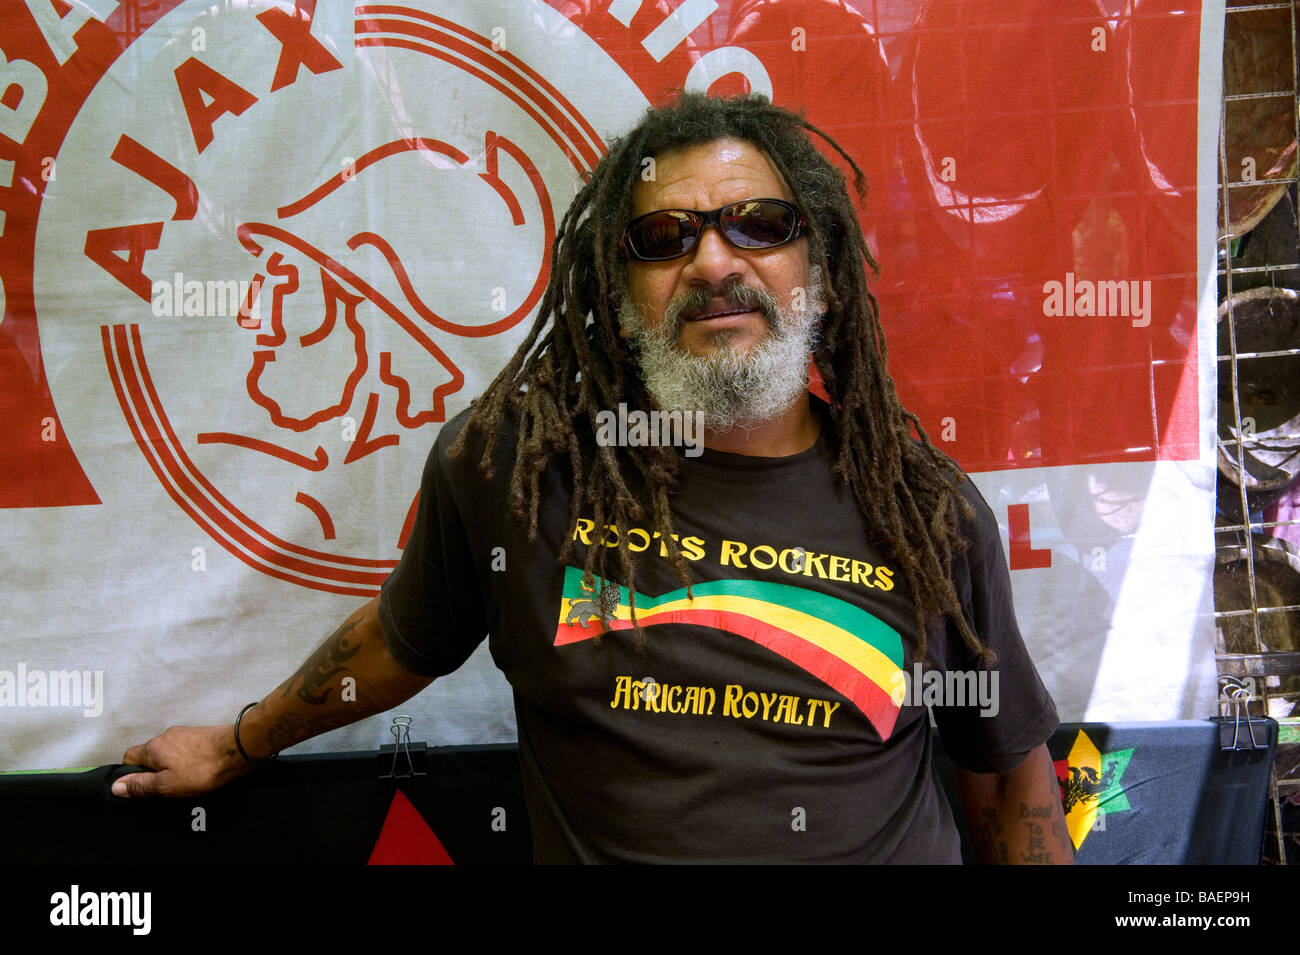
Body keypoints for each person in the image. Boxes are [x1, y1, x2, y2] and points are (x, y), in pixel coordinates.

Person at [115, 92, 1073, 864]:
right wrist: (240, 742)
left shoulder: (923, 512)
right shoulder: (514, 471)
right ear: (618, 301)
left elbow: (1006, 783)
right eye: (663, 238)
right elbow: (394, 640)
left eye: (759, 226)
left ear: (817, 275)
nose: (711, 259)